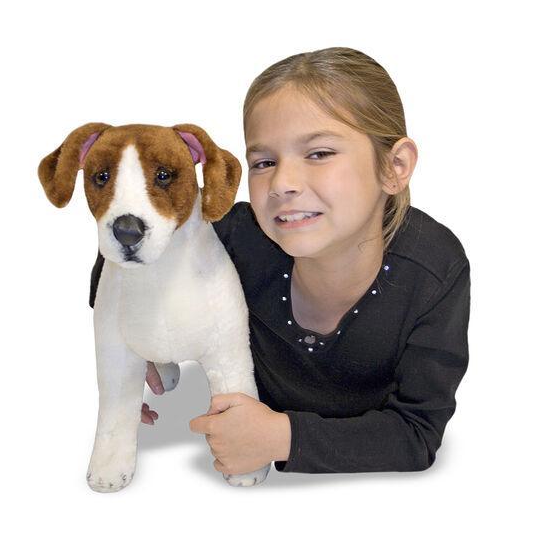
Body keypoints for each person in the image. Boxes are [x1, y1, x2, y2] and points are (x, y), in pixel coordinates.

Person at [89, 47, 471, 476]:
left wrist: (280, 438)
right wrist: (139, 336)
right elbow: (132, 247)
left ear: (394, 166)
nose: (283, 183)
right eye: (264, 162)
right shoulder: (238, 235)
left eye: (319, 153)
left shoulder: (434, 270)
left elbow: (417, 434)